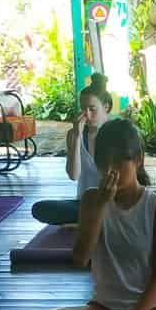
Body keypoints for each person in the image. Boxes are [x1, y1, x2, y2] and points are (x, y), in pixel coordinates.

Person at [26, 119, 156, 310]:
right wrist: (100, 206)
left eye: (118, 162)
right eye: (103, 163)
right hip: (106, 308)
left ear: (138, 159)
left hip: (152, 307)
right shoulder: (91, 200)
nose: (110, 171)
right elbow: (80, 258)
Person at [32, 73, 114, 225]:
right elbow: (73, 175)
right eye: (83, 109)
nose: (87, 115)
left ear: (106, 107)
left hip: (111, 203)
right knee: (39, 208)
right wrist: (76, 137)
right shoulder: (74, 134)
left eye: (92, 109)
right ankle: (90, 221)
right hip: (84, 204)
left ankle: (92, 222)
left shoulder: (116, 134)